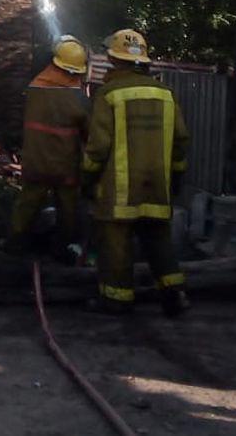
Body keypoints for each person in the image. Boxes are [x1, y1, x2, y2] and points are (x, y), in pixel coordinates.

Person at [81, 28, 190, 316]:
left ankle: (117, 299)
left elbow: (98, 148)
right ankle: (174, 294)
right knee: (159, 240)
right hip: (157, 186)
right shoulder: (166, 95)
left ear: (115, 61)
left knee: (116, 244)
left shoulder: (109, 94)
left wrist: (86, 178)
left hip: (119, 191)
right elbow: (180, 141)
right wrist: (176, 177)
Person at [10, 35, 90, 263]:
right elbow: (90, 132)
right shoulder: (77, 97)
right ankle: (63, 248)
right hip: (66, 166)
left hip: (36, 162)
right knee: (68, 209)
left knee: (27, 203)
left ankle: (15, 243)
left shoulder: (36, 86)